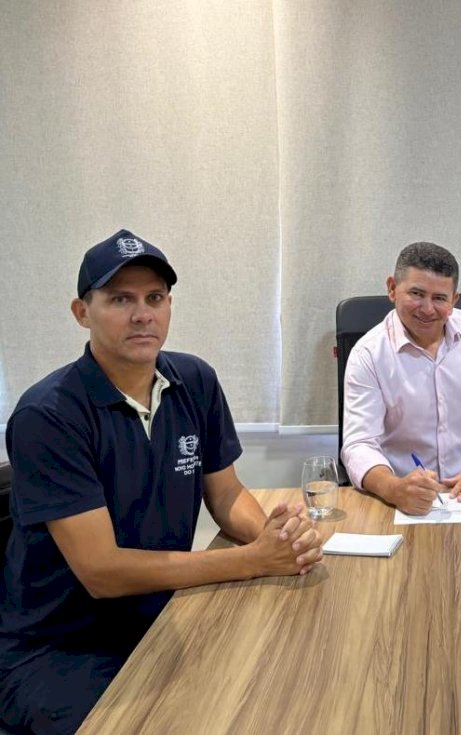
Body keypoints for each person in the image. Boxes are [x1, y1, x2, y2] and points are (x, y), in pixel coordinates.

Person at [0, 230, 324, 734]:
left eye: (154, 298)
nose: (142, 315)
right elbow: (102, 572)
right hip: (58, 648)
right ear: (81, 312)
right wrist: (252, 560)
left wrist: (274, 539)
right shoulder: (49, 415)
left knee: (278, 686)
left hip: (160, 613)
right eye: (120, 300)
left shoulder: (194, 381)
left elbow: (227, 494)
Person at [341, 241, 461, 514]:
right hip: (401, 502)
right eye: (416, 293)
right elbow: (359, 444)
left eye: (440, 298)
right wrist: (394, 488)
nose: (427, 309)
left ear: (454, 300)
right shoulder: (368, 354)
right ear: (392, 288)